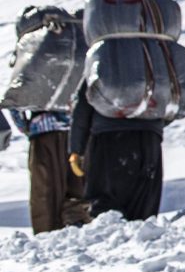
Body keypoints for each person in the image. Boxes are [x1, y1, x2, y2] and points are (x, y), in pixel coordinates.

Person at [68, 89, 167, 222]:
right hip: (149, 140)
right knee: (143, 209)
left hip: (109, 138)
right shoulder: (153, 74)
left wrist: (76, 150)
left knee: (105, 207)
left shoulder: (101, 74)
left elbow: (83, 107)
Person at [2, 107, 85, 232]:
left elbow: (16, 103)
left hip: (44, 132)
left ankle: (48, 232)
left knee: (44, 189)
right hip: (74, 131)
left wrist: (26, 127)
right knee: (78, 184)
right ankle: (77, 225)